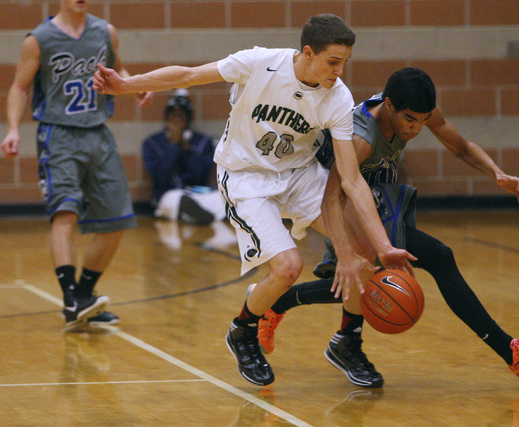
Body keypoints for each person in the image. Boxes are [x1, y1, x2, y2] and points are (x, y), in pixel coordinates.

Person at [92, 13, 415, 386]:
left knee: (362, 255)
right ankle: (243, 331)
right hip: (247, 177)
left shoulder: (338, 98)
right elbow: (187, 76)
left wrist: (383, 245)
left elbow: (351, 178)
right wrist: (126, 85)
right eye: (333, 62)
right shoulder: (260, 63)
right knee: (288, 267)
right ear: (307, 53)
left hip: (298, 175)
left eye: (345, 62)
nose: (340, 71)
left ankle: (347, 341)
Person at [254, 67, 519, 388]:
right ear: (389, 105)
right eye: (410, 120)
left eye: (422, 121)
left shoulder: (418, 111)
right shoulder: (362, 139)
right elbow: (331, 197)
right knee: (425, 261)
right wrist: (348, 246)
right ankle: (514, 355)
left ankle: (274, 305)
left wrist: (496, 173)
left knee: (364, 282)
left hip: (379, 205)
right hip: (343, 209)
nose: (415, 129)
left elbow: (461, 147)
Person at [1, 0, 152, 328]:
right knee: (66, 212)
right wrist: (13, 128)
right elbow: (19, 87)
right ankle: (70, 297)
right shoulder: (38, 39)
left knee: (117, 221)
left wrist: (134, 86)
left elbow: (118, 70)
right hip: (59, 134)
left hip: (98, 133)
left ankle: (83, 296)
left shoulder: (105, 32)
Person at [142, 89, 226, 224]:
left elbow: (201, 176)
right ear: (167, 117)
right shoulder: (152, 143)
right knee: (175, 199)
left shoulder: (203, 142)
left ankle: (196, 215)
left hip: (199, 194)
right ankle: (192, 214)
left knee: (221, 199)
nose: (177, 120)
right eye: (173, 116)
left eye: (181, 116)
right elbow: (160, 178)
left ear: (188, 118)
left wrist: (187, 149)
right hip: (170, 194)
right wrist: (173, 146)